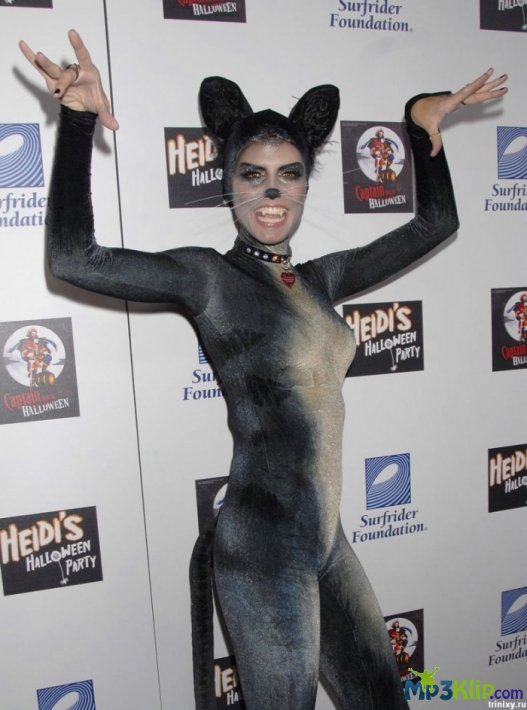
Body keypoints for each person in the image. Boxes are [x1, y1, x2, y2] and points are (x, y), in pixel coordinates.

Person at [19, 30, 507, 710]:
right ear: (229, 184)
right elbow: (74, 259)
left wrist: (419, 120)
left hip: (325, 541)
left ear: (306, 184)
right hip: (263, 547)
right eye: (252, 175)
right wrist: (76, 123)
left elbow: (434, 224)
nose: (272, 191)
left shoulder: (319, 280)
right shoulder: (209, 278)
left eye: (290, 174)